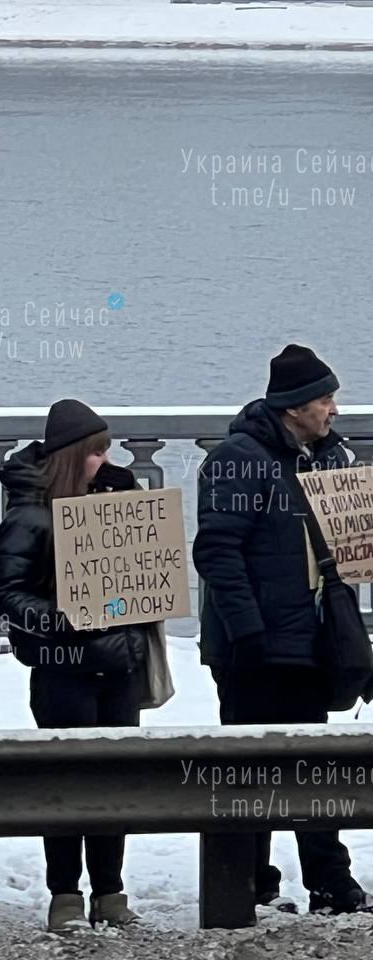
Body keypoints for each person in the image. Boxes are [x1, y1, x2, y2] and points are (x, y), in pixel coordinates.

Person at [194, 344, 372, 915]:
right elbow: (218, 553)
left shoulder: (322, 460)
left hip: (308, 643)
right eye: (325, 399)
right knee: (252, 775)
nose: (334, 410)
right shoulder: (237, 460)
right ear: (294, 407)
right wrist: (248, 634)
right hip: (256, 648)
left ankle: (330, 883)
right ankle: (252, 885)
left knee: (311, 771)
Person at [0, 398, 149, 933]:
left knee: (113, 781)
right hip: (63, 669)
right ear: (71, 456)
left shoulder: (119, 497)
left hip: (119, 665)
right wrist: (67, 620)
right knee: (64, 780)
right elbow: (8, 596)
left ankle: (110, 890)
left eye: (107, 451)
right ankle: (65, 894)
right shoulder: (29, 515)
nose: (104, 461)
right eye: (95, 452)